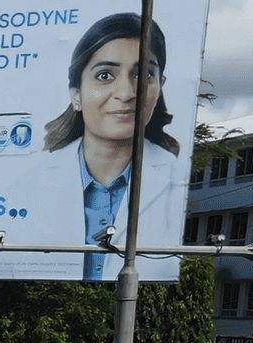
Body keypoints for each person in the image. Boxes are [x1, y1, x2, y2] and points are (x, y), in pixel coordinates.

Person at [36, 12, 183, 281]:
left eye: (144, 74)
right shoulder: (29, 185)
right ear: (76, 94)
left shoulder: (179, 180)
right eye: (105, 75)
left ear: (160, 87)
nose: (126, 93)